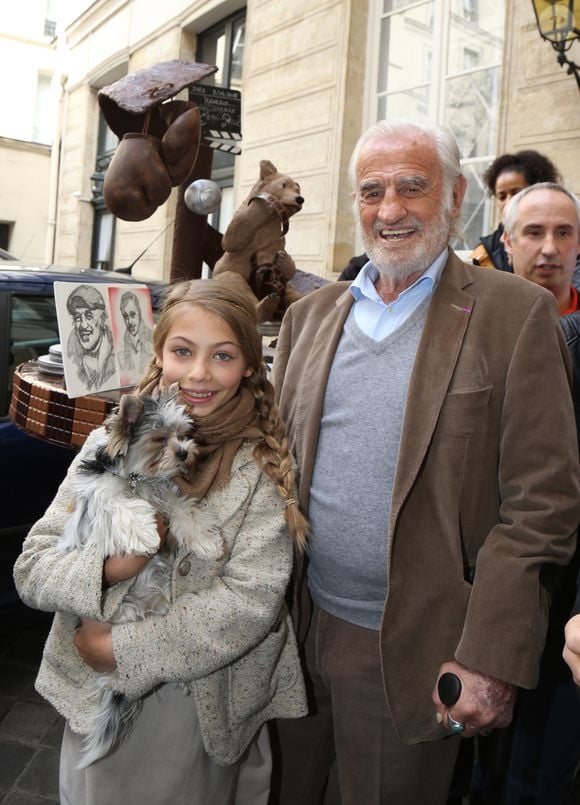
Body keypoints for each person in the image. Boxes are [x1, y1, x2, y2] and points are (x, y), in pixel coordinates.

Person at [269, 119, 580, 805]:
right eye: (372, 190)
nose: (389, 210)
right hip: (294, 632)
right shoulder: (309, 319)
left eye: (413, 187)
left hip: (414, 649)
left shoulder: (515, 315)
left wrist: (490, 655)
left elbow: (543, 505)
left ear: (456, 195)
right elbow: (270, 469)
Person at [14, 279, 309, 805]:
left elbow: (252, 601)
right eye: (182, 351)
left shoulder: (260, 465)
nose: (198, 373)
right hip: (96, 694)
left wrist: (121, 649)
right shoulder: (107, 444)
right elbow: (32, 567)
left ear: (248, 365)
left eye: (222, 355)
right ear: (159, 353)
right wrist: (108, 570)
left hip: (205, 701)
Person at [463, 183, 580, 804]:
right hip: (483, 599)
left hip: (567, 609)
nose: (549, 248)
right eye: (533, 233)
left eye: (564, 233)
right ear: (504, 244)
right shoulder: (470, 331)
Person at [470, 149, 561, 272]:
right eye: (502, 196)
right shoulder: (483, 255)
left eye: (517, 193)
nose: (509, 202)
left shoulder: (564, 241)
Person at [66, 283, 116, 391]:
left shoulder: (117, 358)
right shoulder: (73, 362)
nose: (83, 325)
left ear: (102, 319)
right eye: (78, 318)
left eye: (89, 316)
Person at [118, 289, 154, 377]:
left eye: (132, 314)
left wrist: (154, 354)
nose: (129, 321)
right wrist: (122, 368)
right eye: (126, 316)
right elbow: (128, 375)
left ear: (139, 313)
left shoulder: (149, 334)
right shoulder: (124, 339)